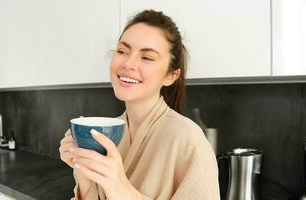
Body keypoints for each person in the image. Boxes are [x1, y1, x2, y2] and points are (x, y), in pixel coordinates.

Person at [59, 10, 220, 200]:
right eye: (122, 51)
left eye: (147, 57)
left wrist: (119, 187)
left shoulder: (189, 139)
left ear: (171, 76)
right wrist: (84, 173)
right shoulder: (106, 133)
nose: (128, 63)